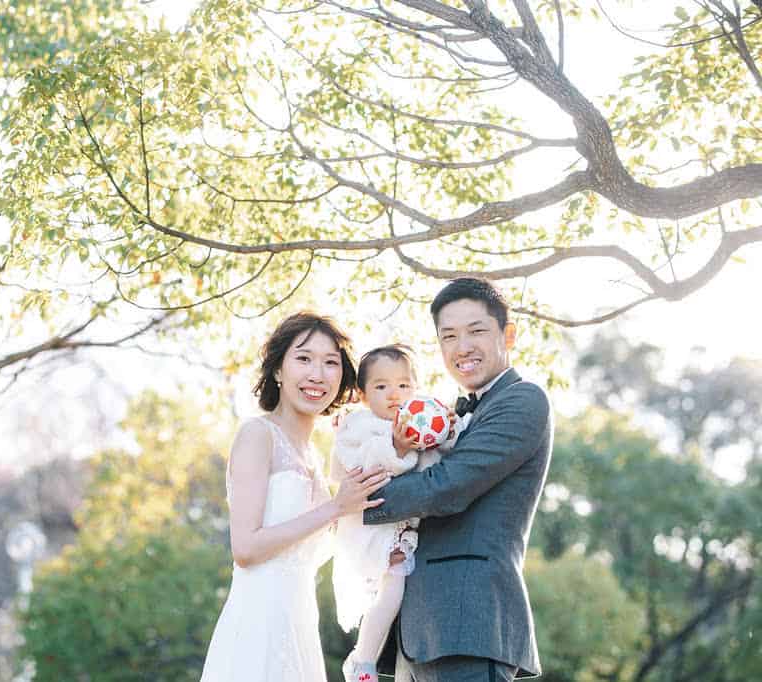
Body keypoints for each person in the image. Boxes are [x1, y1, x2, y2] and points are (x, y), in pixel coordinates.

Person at [364, 278, 553, 682]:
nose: (462, 347)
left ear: (508, 335)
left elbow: (446, 488)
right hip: (421, 630)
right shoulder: (450, 414)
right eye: (449, 336)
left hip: (469, 625)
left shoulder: (523, 400)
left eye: (476, 331)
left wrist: (356, 502)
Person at [200, 312, 392, 682]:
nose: (317, 374)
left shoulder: (315, 457)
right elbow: (245, 548)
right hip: (256, 630)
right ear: (278, 370)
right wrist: (336, 507)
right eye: (304, 358)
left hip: (300, 629)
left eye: (330, 363)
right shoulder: (258, 435)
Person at [331, 345, 449, 682]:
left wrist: (450, 429)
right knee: (380, 592)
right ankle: (363, 660)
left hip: (400, 529)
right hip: (369, 527)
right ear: (363, 395)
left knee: (391, 595)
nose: (394, 394)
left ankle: (363, 659)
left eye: (403, 385)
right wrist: (396, 447)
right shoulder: (358, 426)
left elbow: (437, 464)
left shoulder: (421, 419)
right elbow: (361, 467)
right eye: (381, 386)